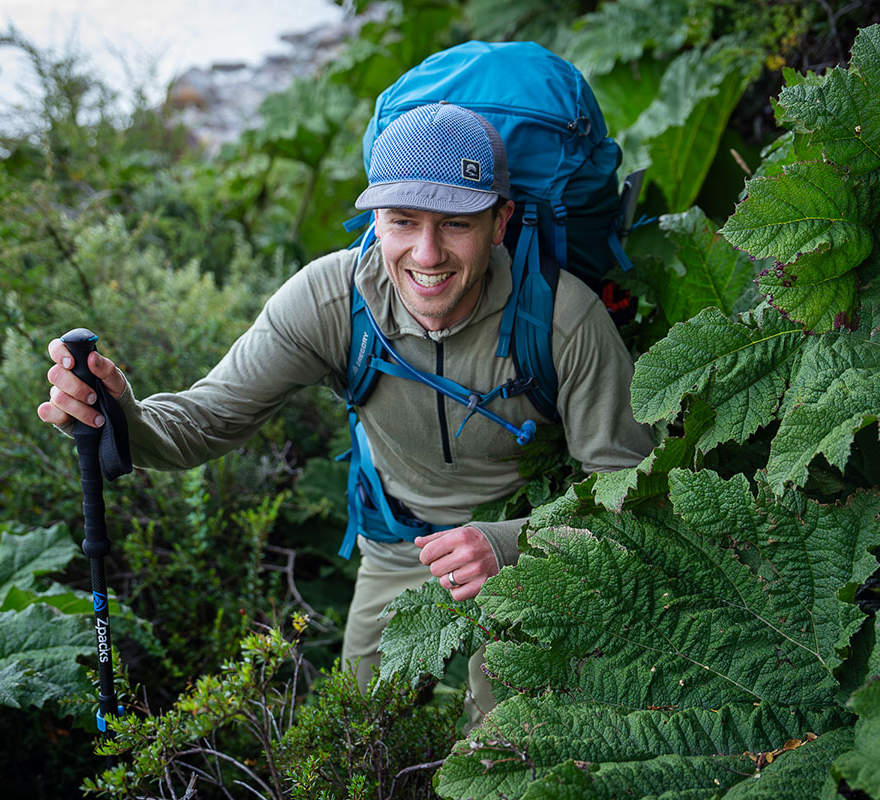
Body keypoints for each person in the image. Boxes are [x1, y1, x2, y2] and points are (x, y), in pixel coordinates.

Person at [38, 102, 653, 717]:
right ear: (376, 222)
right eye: (403, 221)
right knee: (358, 732)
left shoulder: (563, 320)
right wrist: (117, 413)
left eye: (456, 224)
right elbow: (204, 422)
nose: (428, 253)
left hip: (530, 546)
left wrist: (511, 543)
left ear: (500, 222)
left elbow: (628, 492)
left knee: (506, 748)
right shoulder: (330, 301)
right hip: (397, 544)